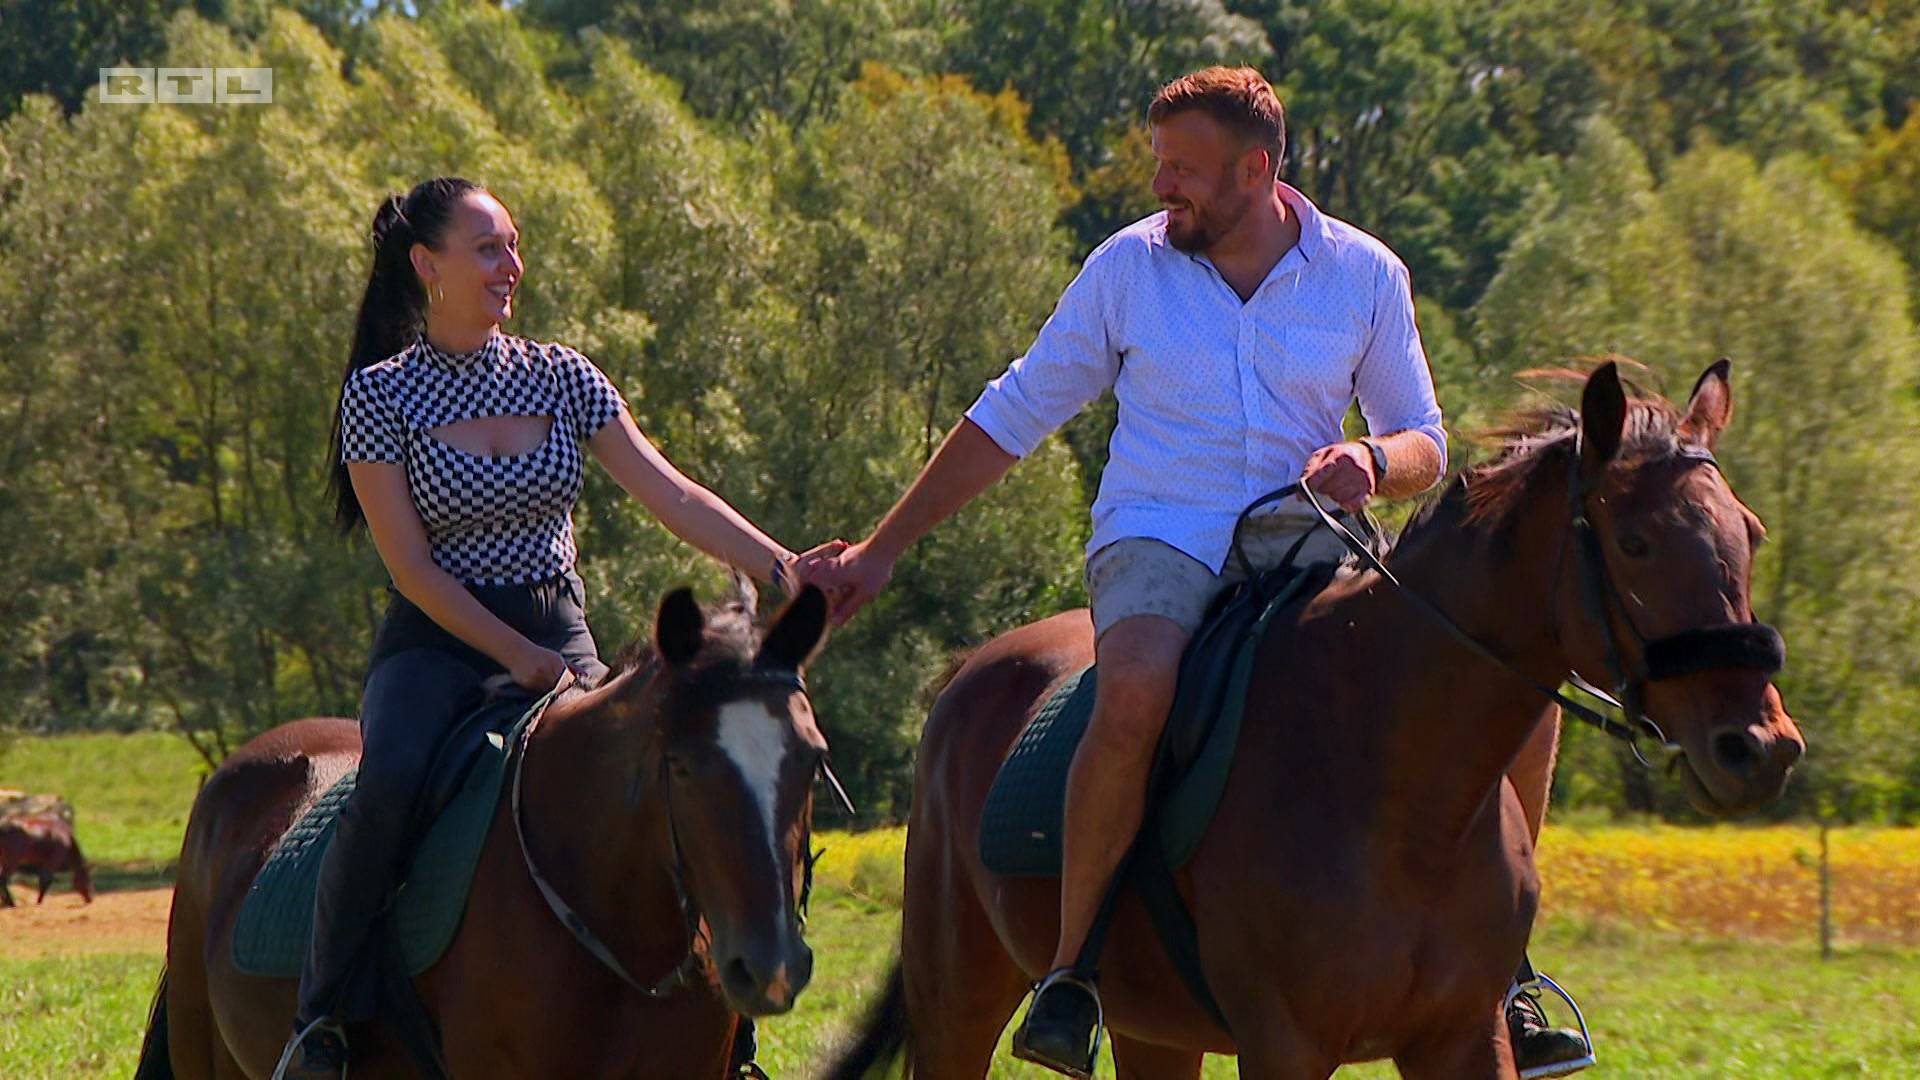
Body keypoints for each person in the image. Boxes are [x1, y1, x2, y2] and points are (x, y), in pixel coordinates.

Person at [808, 68, 1590, 1077]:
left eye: (1182, 168)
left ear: (1255, 170)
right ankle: (1073, 973)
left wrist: (1370, 460)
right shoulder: (1128, 268)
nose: (1161, 185)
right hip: (1161, 535)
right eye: (1158, 164)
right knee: (1134, 695)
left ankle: (1504, 968)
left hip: (1314, 542)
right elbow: (1012, 415)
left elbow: (1426, 442)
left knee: (1513, 692)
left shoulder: (1364, 274)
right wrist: (881, 548)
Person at [276, 177, 834, 1080]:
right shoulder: (378, 397)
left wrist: (785, 567)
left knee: (671, 776)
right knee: (394, 783)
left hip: (562, 634)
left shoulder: (564, 376)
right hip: (436, 647)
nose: (511, 266)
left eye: (515, 244)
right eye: (489, 248)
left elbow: (673, 493)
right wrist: (516, 656)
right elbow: (411, 570)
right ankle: (323, 1019)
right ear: (428, 265)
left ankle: (733, 1040)